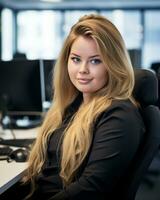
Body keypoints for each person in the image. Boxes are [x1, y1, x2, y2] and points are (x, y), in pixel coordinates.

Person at [22, 14, 145, 200]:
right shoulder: (74, 105)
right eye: (76, 59)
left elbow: (90, 188)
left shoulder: (119, 115)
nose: (82, 70)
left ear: (113, 64)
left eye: (95, 60)